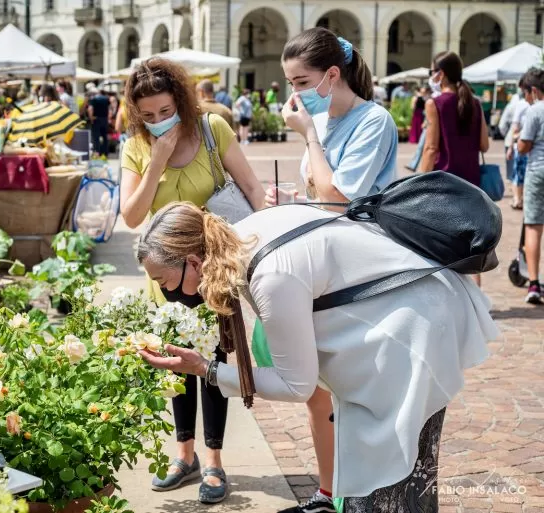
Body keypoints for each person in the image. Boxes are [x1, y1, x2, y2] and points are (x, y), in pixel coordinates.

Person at [137, 201, 497, 513]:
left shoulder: (268, 275)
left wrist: (206, 369)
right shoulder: (244, 234)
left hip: (412, 333)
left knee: (387, 482)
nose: (166, 292)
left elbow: (295, 384)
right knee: (386, 480)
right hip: (409, 321)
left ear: (193, 261)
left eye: (164, 282)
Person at [264, 28, 399, 513]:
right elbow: (321, 197)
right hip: (322, 268)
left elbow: (340, 198)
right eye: (290, 83)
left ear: (332, 76)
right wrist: (292, 200)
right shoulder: (324, 120)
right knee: (318, 394)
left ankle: (355, 495)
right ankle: (328, 492)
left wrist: (311, 138)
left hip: (359, 272)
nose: (293, 94)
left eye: (301, 82)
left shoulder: (373, 120)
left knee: (350, 392)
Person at [120, 57, 264, 504]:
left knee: (211, 367)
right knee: (172, 364)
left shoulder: (211, 130)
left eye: (165, 110)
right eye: (148, 115)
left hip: (211, 274)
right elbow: (131, 216)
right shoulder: (137, 148)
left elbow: (253, 190)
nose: (159, 121)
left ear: (180, 100)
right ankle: (185, 456)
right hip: (163, 278)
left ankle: (215, 461)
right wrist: (156, 160)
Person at [418, 51, 489, 286]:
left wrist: (418, 181)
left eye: (432, 72)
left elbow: (430, 148)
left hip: (444, 183)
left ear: (441, 74)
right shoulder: (474, 103)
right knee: (471, 245)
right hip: (472, 180)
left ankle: (453, 298)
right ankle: (476, 297)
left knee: (443, 243)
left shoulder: (435, 104)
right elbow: (484, 145)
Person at [517, 67, 544, 304]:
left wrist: (518, 141)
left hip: (538, 171)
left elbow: (524, 146)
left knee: (534, 226)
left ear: (534, 90)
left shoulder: (535, 111)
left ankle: (534, 283)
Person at [507, 77, 532, 210]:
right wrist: (511, 146)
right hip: (521, 146)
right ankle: (518, 199)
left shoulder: (525, 105)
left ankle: (520, 200)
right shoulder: (521, 105)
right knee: (518, 174)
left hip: (524, 147)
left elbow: (515, 128)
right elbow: (514, 128)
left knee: (520, 175)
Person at [88, 88, 111, 157]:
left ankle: (97, 152)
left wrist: (91, 118)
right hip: (105, 119)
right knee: (105, 137)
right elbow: (110, 108)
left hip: (96, 119)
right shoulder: (106, 99)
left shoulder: (93, 99)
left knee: (96, 137)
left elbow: (90, 109)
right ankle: (105, 152)